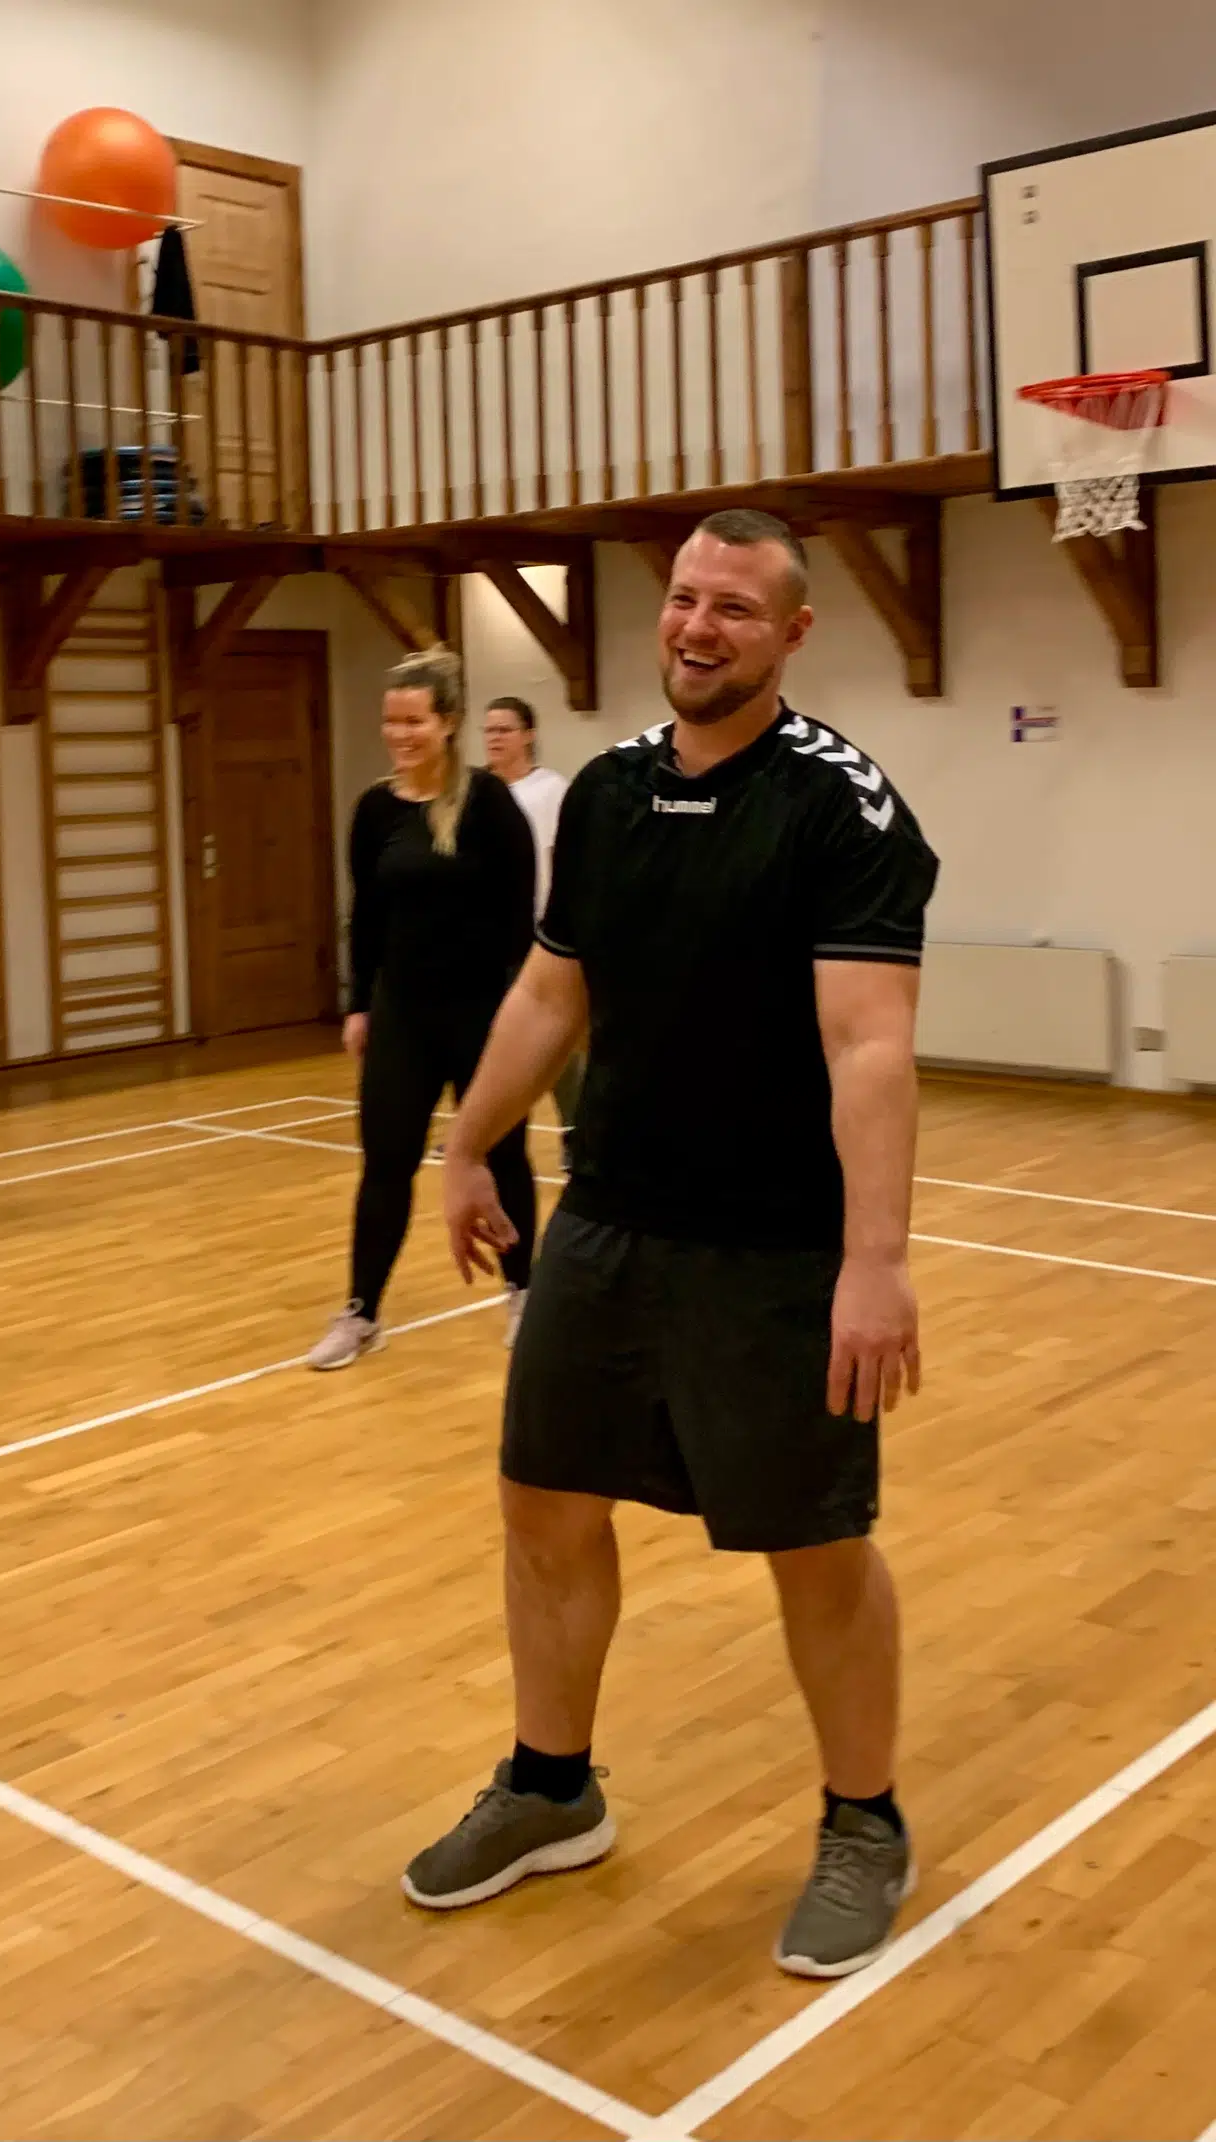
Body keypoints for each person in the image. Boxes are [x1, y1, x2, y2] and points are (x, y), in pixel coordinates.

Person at [403, 509, 939, 1982]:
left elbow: (870, 1045)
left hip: (777, 1252)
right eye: (686, 600)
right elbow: (551, 992)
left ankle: (864, 1820)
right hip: (609, 1224)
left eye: (737, 610)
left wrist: (875, 1260)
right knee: (545, 1506)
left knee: (814, 1547)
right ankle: (550, 1785)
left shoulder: (844, 808)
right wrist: (465, 1146)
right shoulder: (616, 795)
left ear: (793, 633)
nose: (700, 627)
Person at [308, 647, 538, 1371]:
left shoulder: (489, 804)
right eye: (391, 721)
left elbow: (519, 918)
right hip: (402, 1014)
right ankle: (361, 1312)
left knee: (501, 1156)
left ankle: (523, 1292)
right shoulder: (374, 811)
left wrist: (519, 1014)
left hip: (483, 1016)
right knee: (385, 1164)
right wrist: (357, 1006)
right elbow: (364, 917)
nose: (399, 734)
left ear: (448, 724)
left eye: (414, 721)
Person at [483, 696, 583, 1162]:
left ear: (528, 735)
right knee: (485, 1042)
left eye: (504, 729)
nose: (494, 738)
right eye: (488, 731)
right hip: (485, 939)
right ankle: (484, 1136)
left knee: (550, 1044)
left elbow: (567, 866)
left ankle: (578, 1133)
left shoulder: (551, 792)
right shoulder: (477, 793)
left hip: (539, 938)